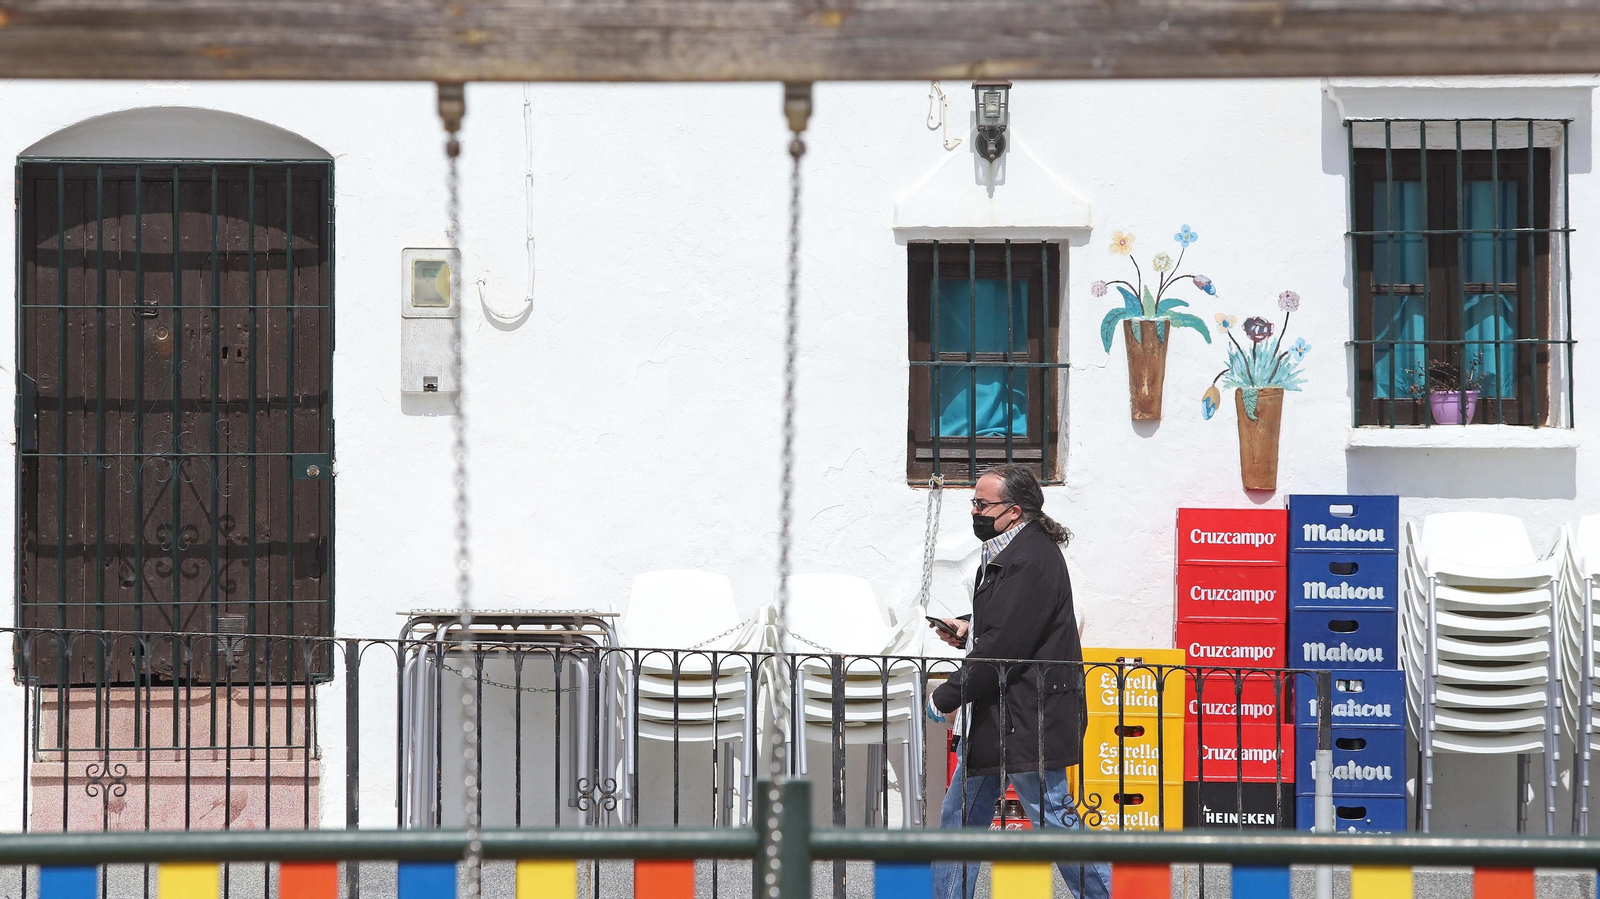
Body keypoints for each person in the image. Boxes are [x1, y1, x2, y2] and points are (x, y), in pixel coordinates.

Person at [925, 463, 1110, 899]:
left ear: (1013, 510)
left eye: (981, 504)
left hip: (1031, 716)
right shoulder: (1014, 550)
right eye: (973, 502)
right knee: (961, 818)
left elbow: (1007, 643)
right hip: (1005, 713)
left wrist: (947, 695)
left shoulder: (1029, 557)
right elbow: (1015, 624)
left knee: (1052, 817)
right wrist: (969, 628)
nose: (975, 511)